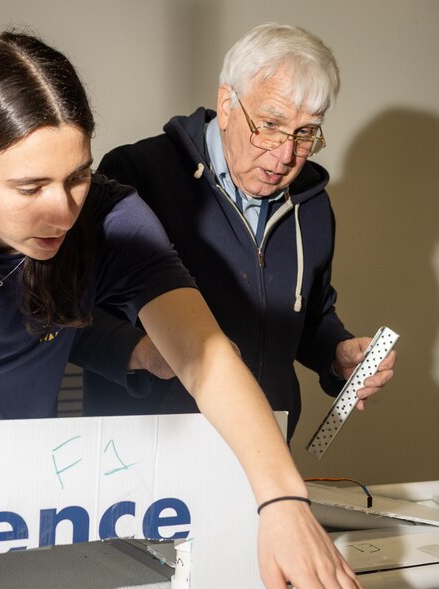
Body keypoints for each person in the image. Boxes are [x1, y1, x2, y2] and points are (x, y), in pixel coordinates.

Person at [0, 30, 383, 589]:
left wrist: (282, 502)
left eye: (77, 176)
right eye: (29, 188)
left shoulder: (113, 217)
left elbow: (205, 355)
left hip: (19, 500)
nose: (62, 211)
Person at [71, 24, 395, 440]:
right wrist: (145, 352)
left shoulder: (311, 205)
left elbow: (307, 316)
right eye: (271, 125)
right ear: (226, 105)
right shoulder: (137, 176)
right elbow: (65, 314)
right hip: (148, 451)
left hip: (262, 449)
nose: (286, 155)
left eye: (306, 133)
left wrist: (337, 354)